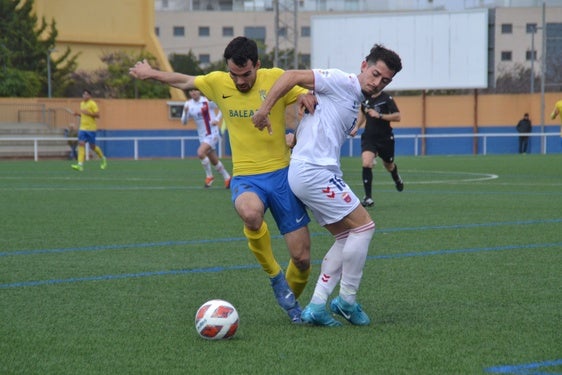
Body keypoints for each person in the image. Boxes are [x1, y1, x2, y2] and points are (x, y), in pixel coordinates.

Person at [129, 36, 314, 323]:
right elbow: (183, 80)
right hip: (246, 177)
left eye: (246, 74)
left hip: (282, 176)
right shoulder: (217, 82)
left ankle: (292, 302)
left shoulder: (276, 78)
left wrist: (304, 99)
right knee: (250, 214)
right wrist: (150, 72)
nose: (240, 81)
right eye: (234, 75)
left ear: (258, 65)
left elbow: (306, 94)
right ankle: (277, 279)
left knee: (302, 259)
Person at [252, 44, 402, 326]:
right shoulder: (341, 80)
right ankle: (346, 301)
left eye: (385, 80)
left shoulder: (354, 99)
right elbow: (291, 76)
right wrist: (264, 110)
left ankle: (317, 306)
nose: (377, 82)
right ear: (363, 66)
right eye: (375, 74)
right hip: (314, 172)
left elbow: (315, 122)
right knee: (365, 227)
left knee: (346, 237)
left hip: (314, 171)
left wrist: (297, 126)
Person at [356, 91, 403, 207]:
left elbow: (398, 116)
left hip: (385, 138)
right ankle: (368, 197)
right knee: (366, 163)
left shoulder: (387, 98)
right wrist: (356, 127)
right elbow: (362, 113)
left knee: (389, 165)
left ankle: (396, 178)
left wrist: (380, 115)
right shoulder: (365, 98)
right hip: (369, 137)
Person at [181, 88, 231, 188]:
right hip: (202, 136)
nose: (193, 92)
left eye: (195, 90)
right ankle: (227, 177)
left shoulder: (207, 101)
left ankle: (209, 176)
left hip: (212, 132)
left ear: (199, 91)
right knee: (213, 160)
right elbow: (184, 122)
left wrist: (217, 119)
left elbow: (222, 107)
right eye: (191, 91)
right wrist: (186, 113)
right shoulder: (188, 104)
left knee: (200, 152)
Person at [71, 89, 107, 171]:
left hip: (91, 129)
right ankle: (80, 165)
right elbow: (84, 115)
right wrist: (78, 114)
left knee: (92, 147)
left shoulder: (93, 104)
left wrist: (88, 113)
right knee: (81, 144)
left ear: (90, 96)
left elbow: (98, 115)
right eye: (83, 94)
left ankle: (103, 158)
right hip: (82, 128)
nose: (84, 96)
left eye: (86, 94)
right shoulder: (82, 104)